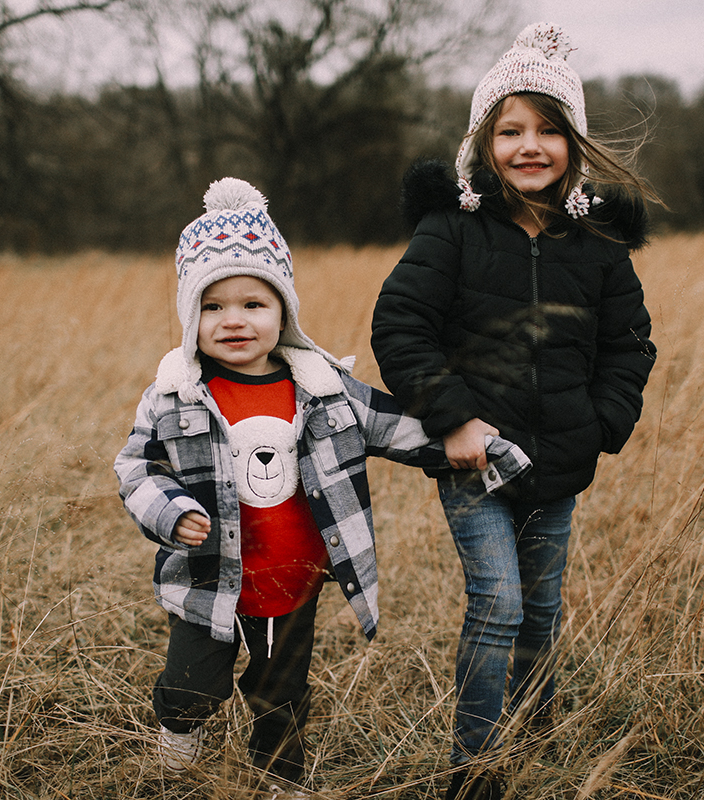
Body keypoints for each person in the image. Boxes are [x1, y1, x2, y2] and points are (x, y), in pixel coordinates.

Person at [114, 177, 530, 797]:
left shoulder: (323, 387)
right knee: (191, 686)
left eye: (254, 304)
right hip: (208, 576)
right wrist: (170, 512)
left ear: (283, 309)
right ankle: (181, 734)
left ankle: (276, 778)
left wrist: (468, 441)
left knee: (280, 694)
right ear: (188, 315)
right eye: (212, 306)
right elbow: (135, 468)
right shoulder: (173, 396)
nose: (233, 321)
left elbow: (395, 427)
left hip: (293, 579)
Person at [370, 23, 660, 800]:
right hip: (477, 460)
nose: (529, 146)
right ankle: (477, 770)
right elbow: (400, 327)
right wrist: (454, 419)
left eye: (548, 129)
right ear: (482, 142)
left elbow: (629, 345)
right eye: (510, 129)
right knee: (497, 604)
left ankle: (539, 732)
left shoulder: (598, 245)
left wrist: (600, 423)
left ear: (573, 142)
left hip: (562, 460)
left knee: (540, 613)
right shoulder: (452, 233)